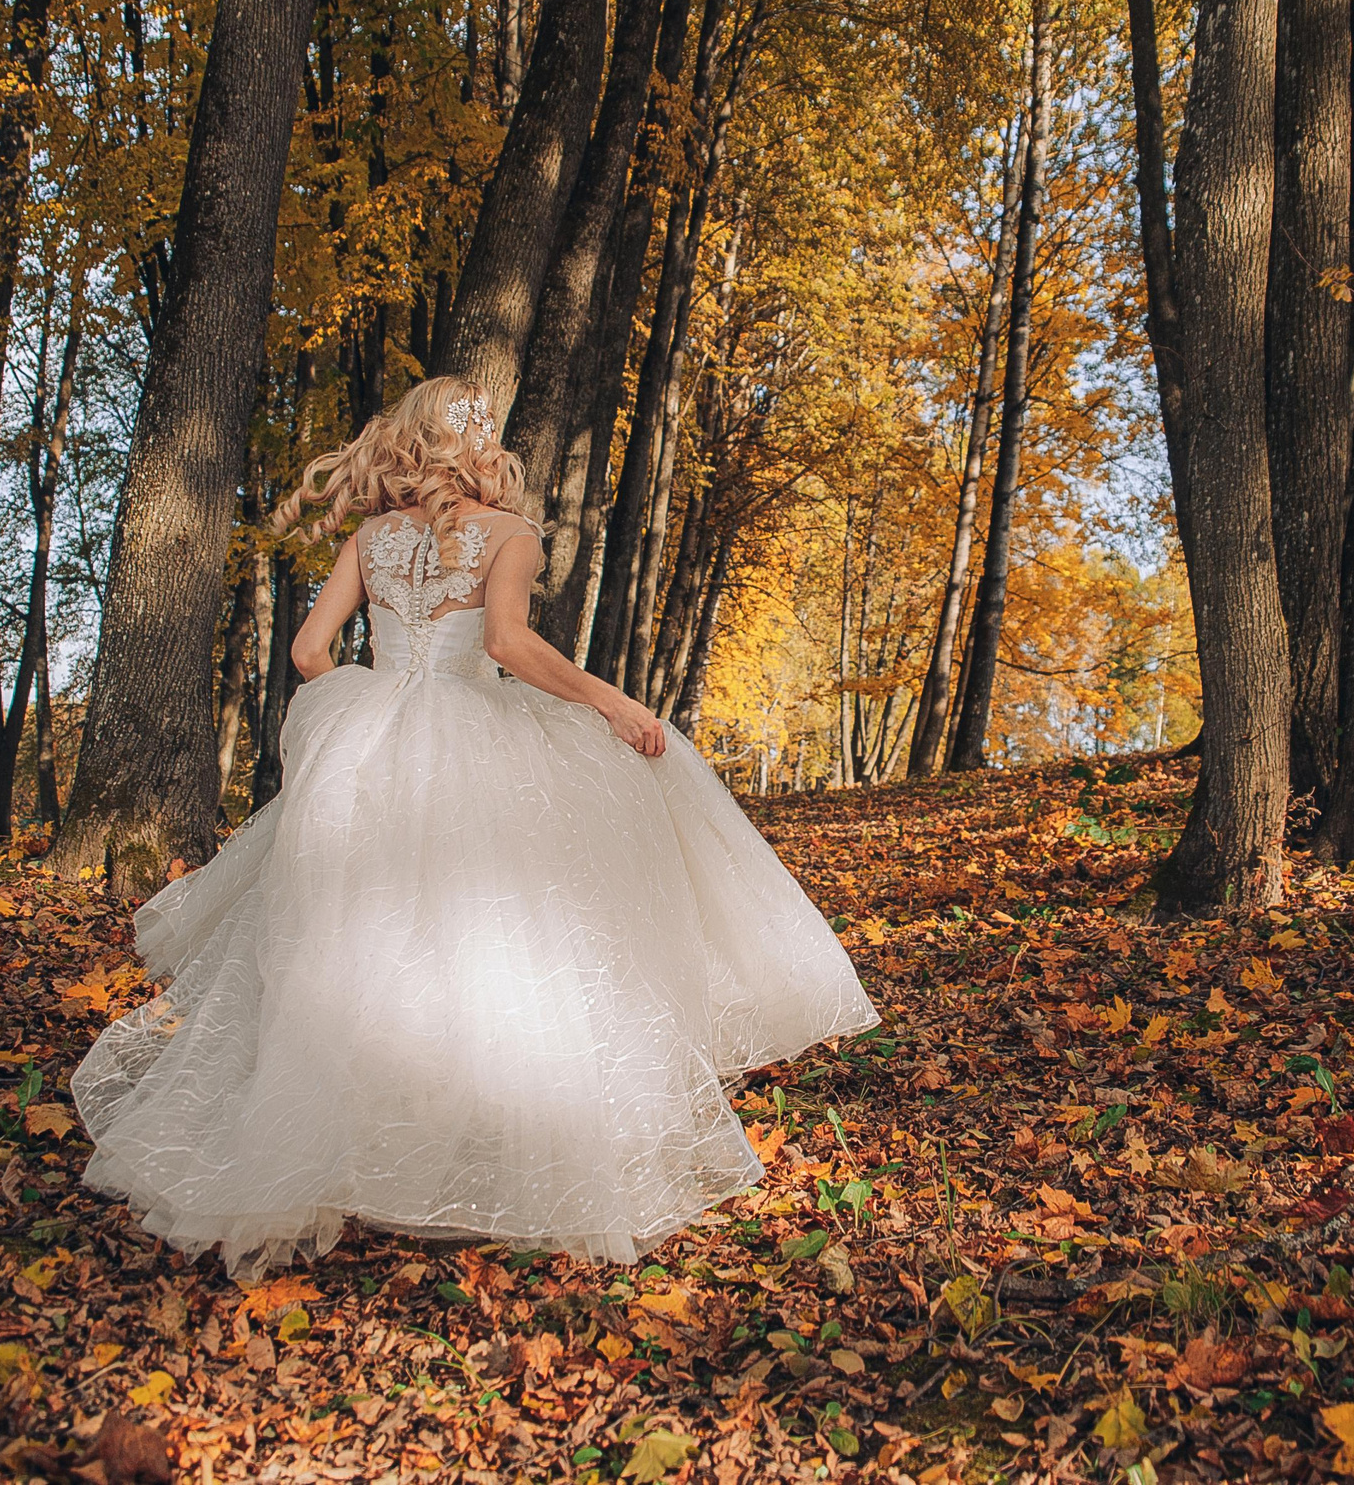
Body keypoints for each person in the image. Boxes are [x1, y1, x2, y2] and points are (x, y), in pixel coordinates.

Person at [70, 376, 877, 1280]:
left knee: (362, 942)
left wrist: (357, 710)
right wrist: (610, 701)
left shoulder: (370, 538)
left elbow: (306, 653)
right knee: (494, 933)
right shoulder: (511, 535)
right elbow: (506, 646)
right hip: (471, 735)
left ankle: (334, 1145)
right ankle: (475, 1146)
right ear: (481, 447)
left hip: (373, 748)